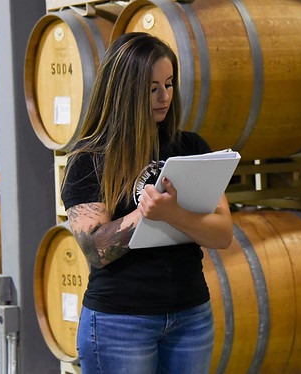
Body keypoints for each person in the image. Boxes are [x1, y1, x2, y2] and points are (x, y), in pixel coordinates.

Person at [60, 32, 233, 373]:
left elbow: (222, 234)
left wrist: (174, 213)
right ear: (125, 89)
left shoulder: (190, 147)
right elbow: (95, 250)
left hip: (190, 315)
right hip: (121, 321)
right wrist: (145, 214)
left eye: (169, 85)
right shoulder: (91, 158)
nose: (164, 96)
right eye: (152, 87)